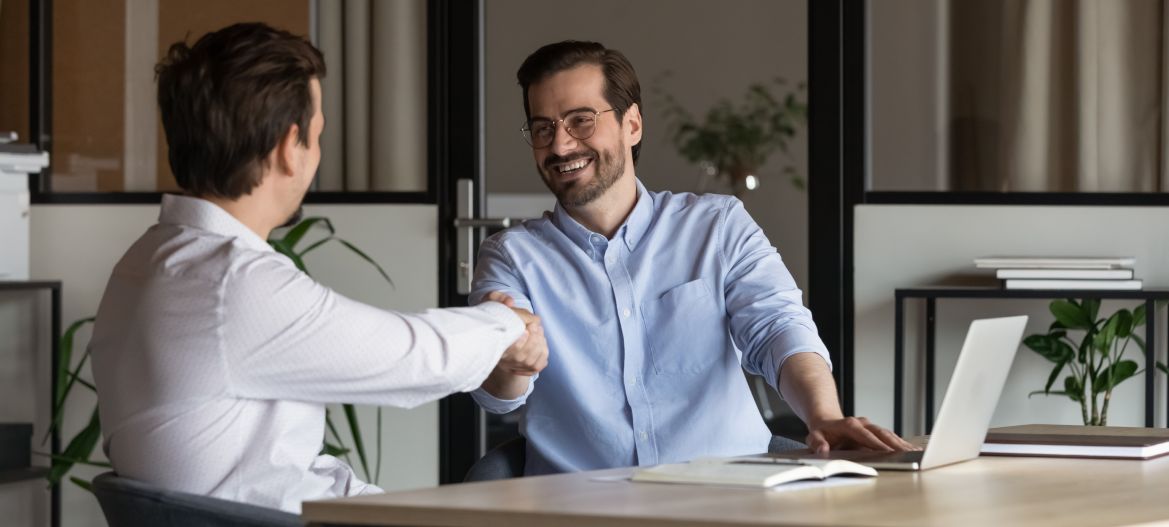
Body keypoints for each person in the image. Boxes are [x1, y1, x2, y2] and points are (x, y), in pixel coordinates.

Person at [88, 23, 547, 514]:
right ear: (291, 147)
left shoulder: (145, 262)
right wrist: (507, 325)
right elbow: (408, 355)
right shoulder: (232, 284)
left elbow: (273, 465)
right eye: (318, 134)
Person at [470, 40, 913, 476]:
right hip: (580, 505)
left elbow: (777, 327)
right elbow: (499, 392)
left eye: (581, 121)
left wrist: (823, 415)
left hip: (730, 496)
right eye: (543, 128)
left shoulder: (717, 226)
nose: (561, 146)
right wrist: (511, 363)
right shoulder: (511, 256)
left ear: (633, 125)